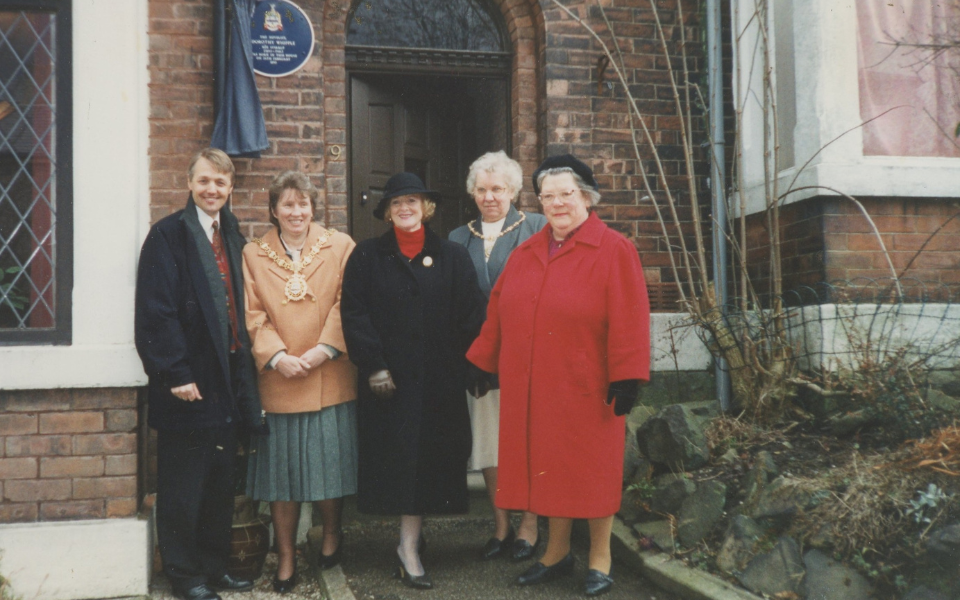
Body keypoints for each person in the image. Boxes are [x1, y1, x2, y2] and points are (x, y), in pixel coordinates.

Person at [466, 154, 651, 597]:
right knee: (550, 471)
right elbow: (499, 312)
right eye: (548, 197)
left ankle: (600, 557)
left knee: (591, 473)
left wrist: (628, 376)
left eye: (567, 194)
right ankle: (556, 553)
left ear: (586, 196)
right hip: (535, 386)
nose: (557, 204)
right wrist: (481, 360)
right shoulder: (527, 252)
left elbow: (630, 316)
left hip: (590, 387)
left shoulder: (614, 250)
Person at [341, 172, 486, 590]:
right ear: (387, 212)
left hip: (438, 385)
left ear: (427, 208)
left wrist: (475, 365)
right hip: (387, 385)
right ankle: (407, 547)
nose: (406, 208)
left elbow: (472, 314)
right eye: (397, 203)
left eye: (414, 201)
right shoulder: (368, 256)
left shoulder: (453, 256)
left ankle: (409, 546)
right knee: (400, 466)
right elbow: (354, 313)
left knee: (428, 465)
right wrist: (373, 365)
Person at [135, 148, 266, 600]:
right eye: (205, 181)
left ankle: (213, 569)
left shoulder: (231, 233)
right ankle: (185, 575)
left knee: (218, 480)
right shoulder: (168, 235)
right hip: (189, 379)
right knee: (183, 484)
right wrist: (174, 372)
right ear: (189, 183)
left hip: (227, 376)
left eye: (221, 183)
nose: (213, 190)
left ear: (231, 189)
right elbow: (156, 313)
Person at [241, 171, 358, 593]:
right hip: (280, 379)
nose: (296, 212)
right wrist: (275, 356)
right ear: (273, 210)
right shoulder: (253, 254)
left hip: (328, 372)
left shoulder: (340, 246)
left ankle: (330, 534)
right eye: (287, 205)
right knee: (282, 478)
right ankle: (286, 555)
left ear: (313, 207)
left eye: (303, 204)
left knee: (329, 468)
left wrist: (324, 349)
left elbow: (351, 302)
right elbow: (251, 313)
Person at [449, 151, 546, 562]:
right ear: (473, 192)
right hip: (481, 361)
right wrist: (470, 358)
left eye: (499, 189)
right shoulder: (457, 238)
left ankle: (531, 523)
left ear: (513, 191)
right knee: (490, 445)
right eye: (483, 189)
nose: (491, 197)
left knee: (531, 442)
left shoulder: (538, 228)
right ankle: (501, 524)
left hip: (531, 357)